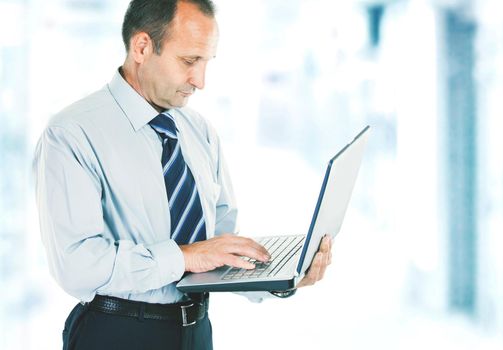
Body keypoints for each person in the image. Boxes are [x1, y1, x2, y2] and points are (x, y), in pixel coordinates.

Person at [33, 1, 332, 349]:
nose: (200, 81)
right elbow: (77, 264)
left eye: (206, 63)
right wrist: (185, 256)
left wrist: (282, 278)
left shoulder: (198, 131)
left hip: (196, 331)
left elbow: (218, 247)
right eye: (189, 61)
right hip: (117, 333)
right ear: (142, 47)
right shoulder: (72, 133)